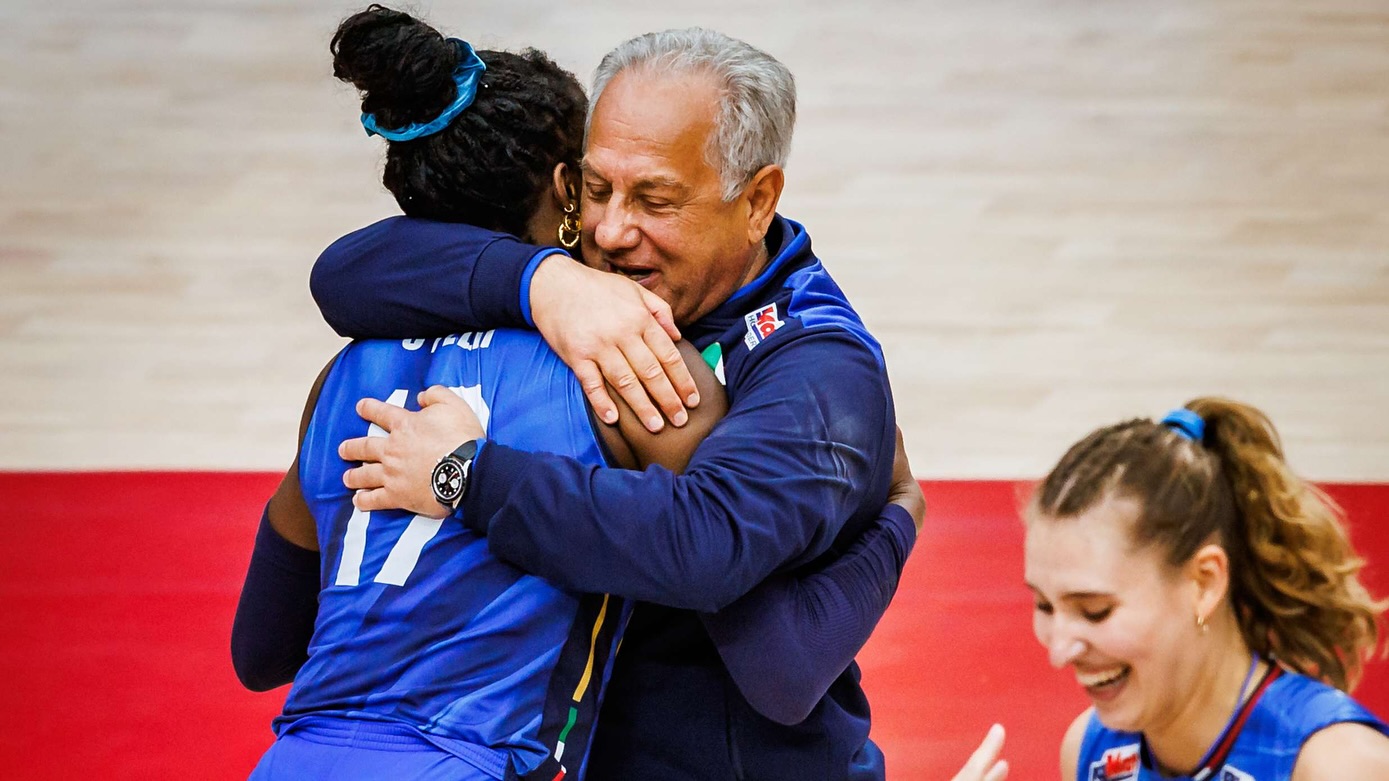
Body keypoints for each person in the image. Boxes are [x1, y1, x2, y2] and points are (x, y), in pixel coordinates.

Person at [233, 8, 988, 781]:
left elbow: (729, 591)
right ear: (566, 189)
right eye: (598, 190)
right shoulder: (582, 327)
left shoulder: (817, 366)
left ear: (758, 200)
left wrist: (467, 473)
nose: (613, 231)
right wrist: (539, 281)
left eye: (654, 200)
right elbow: (342, 272)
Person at [1024, 397, 1389, 780]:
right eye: (1044, 606)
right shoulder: (1089, 749)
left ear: (1205, 583)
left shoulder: (1339, 765)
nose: (1059, 651)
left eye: (1095, 610)